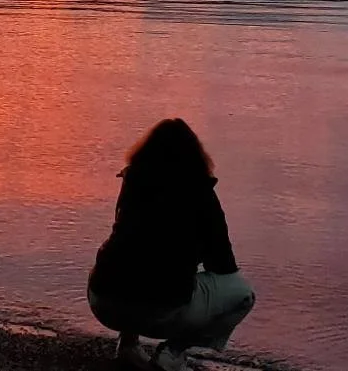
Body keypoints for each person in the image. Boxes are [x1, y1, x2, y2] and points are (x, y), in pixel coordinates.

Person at [86, 118, 255, 370]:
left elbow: (128, 239)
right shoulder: (201, 192)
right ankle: (173, 352)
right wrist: (188, 255)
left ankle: (128, 345)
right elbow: (222, 264)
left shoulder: (132, 182)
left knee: (127, 257)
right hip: (159, 309)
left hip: (102, 299)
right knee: (242, 295)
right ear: (196, 156)